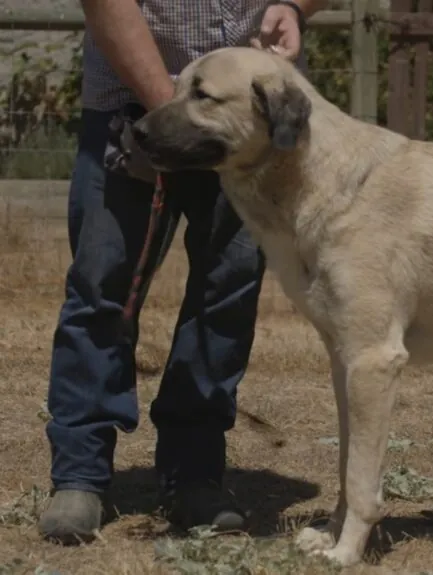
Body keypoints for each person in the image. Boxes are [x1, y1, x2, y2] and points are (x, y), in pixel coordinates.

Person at [37, 0, 328, 544]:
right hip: (131, 103)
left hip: (245, 125)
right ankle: (80, 474)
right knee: (104, 287)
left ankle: (194, 474)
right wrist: (173, 115)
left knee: (227, 292)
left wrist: (293, 6)